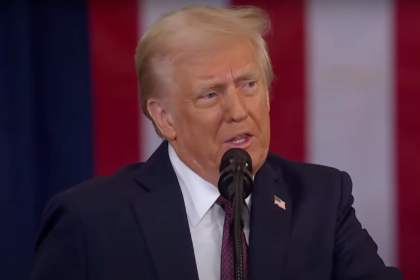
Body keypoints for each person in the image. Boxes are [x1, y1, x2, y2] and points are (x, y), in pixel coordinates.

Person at [30, 5, 402, 280]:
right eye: (210, 94)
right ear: (165, 118)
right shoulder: (90, 221)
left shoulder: (322, 199)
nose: (237, 111)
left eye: (249, 84)